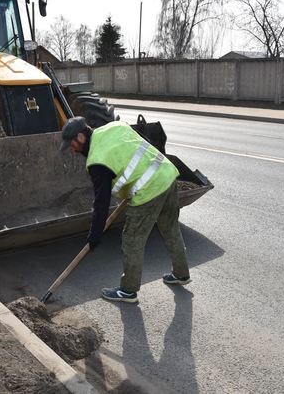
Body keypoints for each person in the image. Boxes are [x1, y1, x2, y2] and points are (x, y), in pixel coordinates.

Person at [60, 117, 191, 304]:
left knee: (132, 241)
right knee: (171, 229)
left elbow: (102, 202)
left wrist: (94, 235)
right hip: (166, 174)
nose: (71, 150)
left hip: (149, 191)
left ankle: (128, 291)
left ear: (80, 137)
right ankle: (182, 274)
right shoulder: (114, 127)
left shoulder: (97, 160)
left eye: (71, 144)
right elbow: (141, 145)